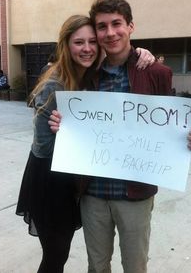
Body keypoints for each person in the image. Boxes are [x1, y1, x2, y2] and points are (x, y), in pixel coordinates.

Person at [49, 0, 191, 273]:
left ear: (131, 26)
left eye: (117, 24)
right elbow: (74, 121)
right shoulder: (87, 73)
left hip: (136, 193)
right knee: (96, 266)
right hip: (93, 192)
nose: (110, 33)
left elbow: (170, 126)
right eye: (102, 26)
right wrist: (63, 126)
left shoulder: (157, 72)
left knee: (135, 265)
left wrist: (189, 136)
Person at [16, 14, 155, 273]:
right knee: (55, 256)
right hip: (50, 182)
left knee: (61, 254)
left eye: (93, 41)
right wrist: (69, 131)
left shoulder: (91, 77)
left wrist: (140, 53)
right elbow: (43, 148)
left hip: (75, 180)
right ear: (66, 45)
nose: (88, 48)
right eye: (79, 42)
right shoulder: (55, 84)